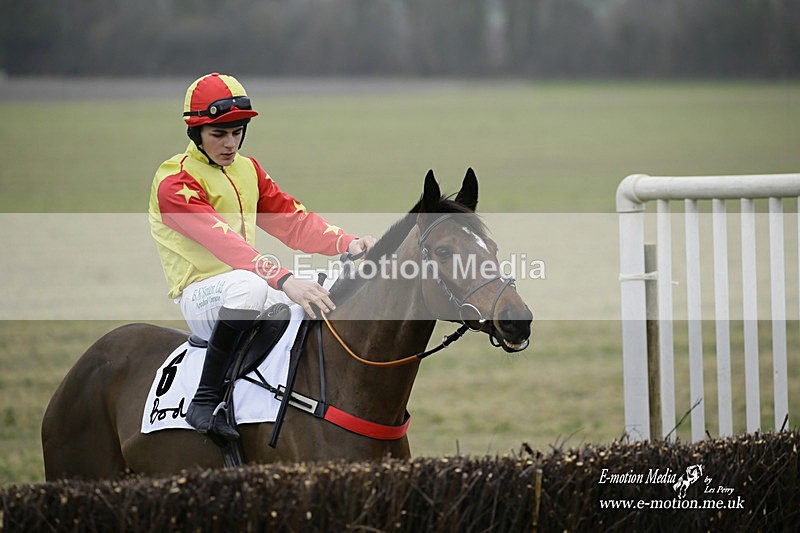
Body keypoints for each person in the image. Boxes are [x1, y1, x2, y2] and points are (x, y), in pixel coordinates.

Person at [148, 73, 375, 440]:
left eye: (237, 132)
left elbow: (293, 222)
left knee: (328, 284)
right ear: (196, 133)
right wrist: (286, 281)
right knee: (250, 288)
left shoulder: (247, 169)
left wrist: (348, 243)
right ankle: (204, 403)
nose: (230, 143)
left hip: (250, 281)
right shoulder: (174, 182)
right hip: (203, 295)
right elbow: (224, 243)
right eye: (218, 134)